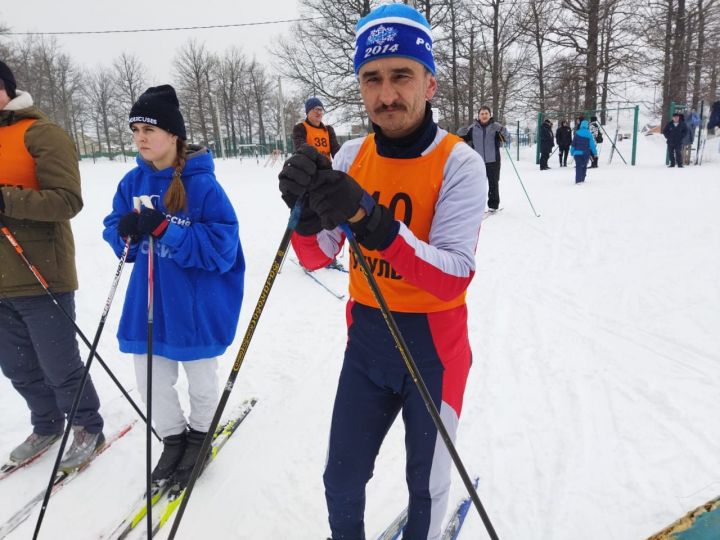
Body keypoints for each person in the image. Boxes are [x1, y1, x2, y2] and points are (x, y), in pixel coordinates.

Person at [278, 4, 486, 539]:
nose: (387, 94)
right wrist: (301, 214)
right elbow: (319, 253)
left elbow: (453, 276)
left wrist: (371, 221)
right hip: (368, 343)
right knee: (340, 480)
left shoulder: (459, 162)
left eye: (402, 76)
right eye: (372, 78)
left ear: (430, 83)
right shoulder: (349, 156)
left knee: (427, 485)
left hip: (433, 351)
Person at [102, 85, 245, 489]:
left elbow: (223, 247)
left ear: (174, 134)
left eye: (150, 128)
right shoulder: (132, 182)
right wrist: (124, 233)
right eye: (135, 129)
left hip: (193, 304)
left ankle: (200, 437)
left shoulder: (203, 186)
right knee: (150, 377)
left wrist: (166, 229)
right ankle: (173, 438)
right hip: (147, 303)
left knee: (200, 378)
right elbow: (115, 230)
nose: (141, 136)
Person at [0, 60, 105, 471]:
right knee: (18, 368)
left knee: (59, 365)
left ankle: (87, 426)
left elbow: (67, 200)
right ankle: (46, 424)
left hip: (40, 271)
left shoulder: (42, 133)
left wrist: (6, 200)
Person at [461, 105, 509, 212]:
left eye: (486, 113)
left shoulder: (495, 127)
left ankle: (493, 206)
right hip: (477, 162)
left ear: (490, 115)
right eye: (482, 114)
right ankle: (476, 205)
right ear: (478, 116)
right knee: (476, 184)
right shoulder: (473, 129)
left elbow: (506, 138)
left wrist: (502, 129)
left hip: (493, 161)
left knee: (493, 183)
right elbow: (462, 137)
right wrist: (462, 131)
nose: (484, 115)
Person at [570, 119, 597, 184]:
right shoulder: (589, 134)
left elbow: (573, 144)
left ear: (581, 125)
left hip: (577, 153)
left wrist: (571, 152)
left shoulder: (577, 133)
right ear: (587, 126)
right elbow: (592, 145)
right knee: (584, 165)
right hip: (585, 153)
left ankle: (578, 180)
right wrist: (595, 153)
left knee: (578, 166)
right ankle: (582, 178)